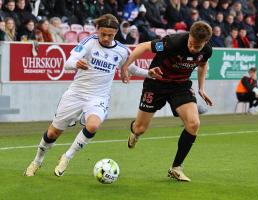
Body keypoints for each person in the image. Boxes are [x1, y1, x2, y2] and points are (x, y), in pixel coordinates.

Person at [24, 14, 162, 177]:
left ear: (116, 33)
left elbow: (131, 68)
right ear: (97, 30)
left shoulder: (122, 51)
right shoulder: (89, 43)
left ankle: (67, 156)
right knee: (53, 133)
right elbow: (67, 63)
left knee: (93, 125)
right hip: (76, 94)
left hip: (98, 98)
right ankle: (37, 161)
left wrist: (149, 74)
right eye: (102, 34)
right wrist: (76, 63)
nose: (105, 38)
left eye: (110, 35)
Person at [121, 21, 213, 182]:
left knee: (193, 124)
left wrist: (201, 88)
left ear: (205, 43)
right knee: (140, 128)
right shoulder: (173, 42)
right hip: (156, 83)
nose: (193, 48)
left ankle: (176, 168)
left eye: (197, 47)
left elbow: (202, 65)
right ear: (189, 35)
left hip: (180, 86)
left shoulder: (206, 50)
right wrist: (126, 66)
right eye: (191, 43)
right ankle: (134, 131)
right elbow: (143, 46)